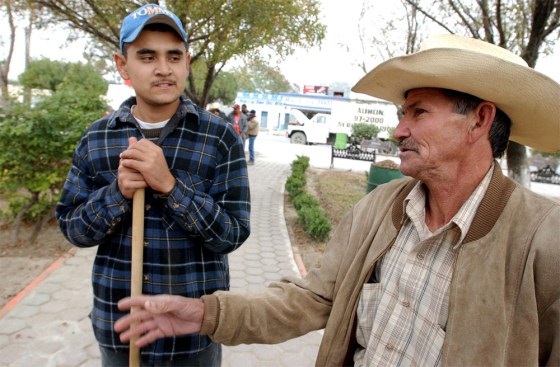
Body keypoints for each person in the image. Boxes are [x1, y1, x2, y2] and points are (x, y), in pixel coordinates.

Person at [114, 35, 560, 366]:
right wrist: (206, 313)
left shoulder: (544, 242)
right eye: (401, 114)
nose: (399, 130)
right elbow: (313, 300)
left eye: (418, 112)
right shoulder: (381, 209)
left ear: (479, 120)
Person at [55, 4, 250, 366]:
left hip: (193, 333)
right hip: (119, 328)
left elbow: (233, 233)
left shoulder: (219, 138)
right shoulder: (97, 139)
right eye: (147, 56)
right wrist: (117, 194)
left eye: (173, 56)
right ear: (121, 64)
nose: (163, 68)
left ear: (187, 62)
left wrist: (170, 187)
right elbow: (72, 228)